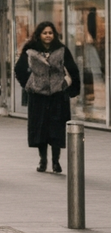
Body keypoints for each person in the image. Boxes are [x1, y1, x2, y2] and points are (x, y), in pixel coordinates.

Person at [14, 22, 80, 174]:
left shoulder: (62, 50)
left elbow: (73, 69)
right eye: (45, 33)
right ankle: (43, 159)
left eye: (50, 33)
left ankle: (56, 161)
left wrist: (70, 87)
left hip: (58, 95)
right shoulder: (30, 51)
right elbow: (19, 69)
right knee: (40, 128)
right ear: (39, 35)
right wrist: (29, 83)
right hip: (38, 96)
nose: (48, 35)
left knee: (57, 128)